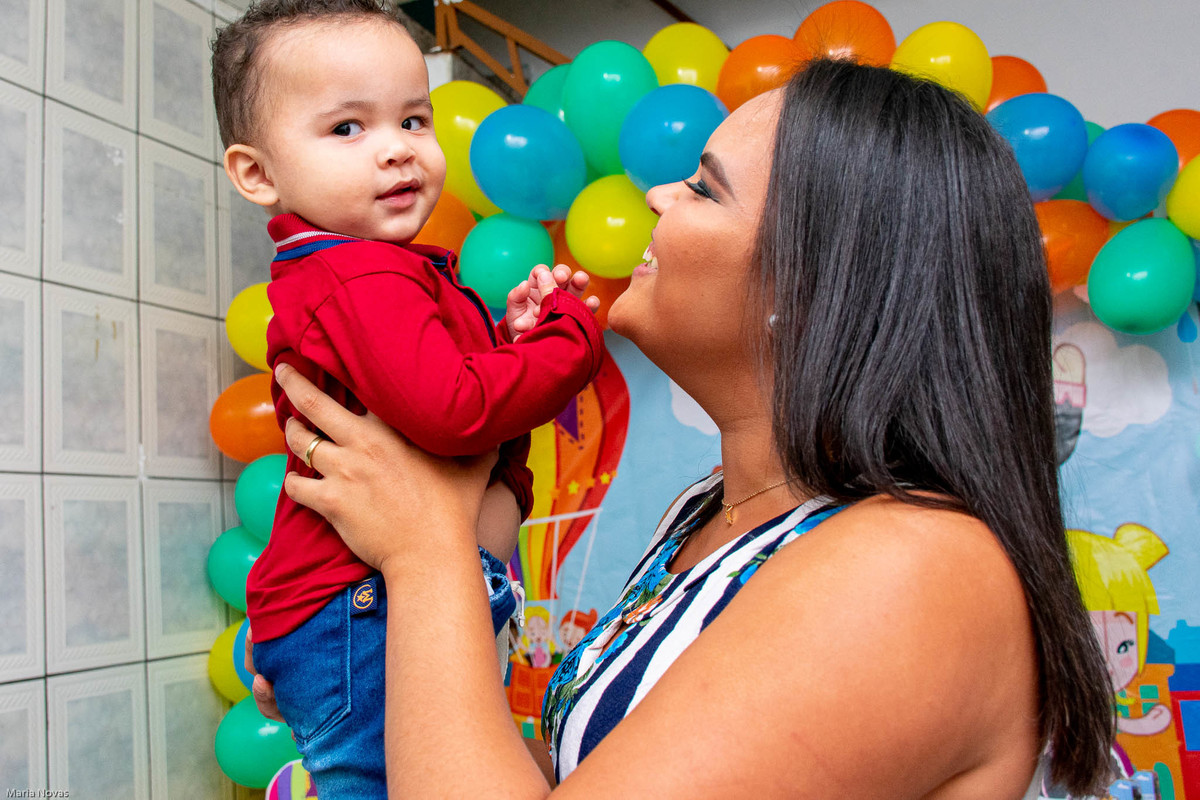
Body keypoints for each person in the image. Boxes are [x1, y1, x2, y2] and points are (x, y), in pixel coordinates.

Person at [253, 58, 1117, 798]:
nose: (661, 194)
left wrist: (423, 551)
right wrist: (368, 683)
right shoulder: (712, 517)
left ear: (807, 289)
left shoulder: (916, 566)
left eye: (704, 187)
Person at [211, 1, 604, 796]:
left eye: (414, 119)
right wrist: (569, 342)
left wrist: (508, 339)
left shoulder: (379, 271)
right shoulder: (361, 274)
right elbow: (454, 412)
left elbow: (429, 397)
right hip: (360, 607)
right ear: (258, 173)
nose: (396, 150)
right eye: (347, 129)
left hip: (368, 601)